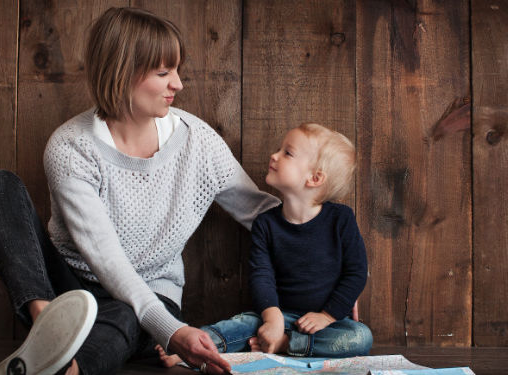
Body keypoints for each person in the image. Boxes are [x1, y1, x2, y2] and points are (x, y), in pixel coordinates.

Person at [0, 7, 279, 375]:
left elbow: (261, 213)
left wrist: (336, 267)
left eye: (177, 71)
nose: (178, 84)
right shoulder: (71, 147)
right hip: (69, 289)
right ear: (121, 72)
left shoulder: (198, 142)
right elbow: (106, 259)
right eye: (164, 73)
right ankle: (47, 327)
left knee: (131, 313)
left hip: (151, 295)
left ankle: (63, 367)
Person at [157, 123, 372, 366]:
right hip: (278, 314)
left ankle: (286, 345)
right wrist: (272, 319)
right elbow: (261, 276)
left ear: (315, 178)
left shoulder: (341, 219)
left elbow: (355, 272)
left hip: (325, 324)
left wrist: (327, 315)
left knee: (360, 338)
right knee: (240, 325)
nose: (274, 155)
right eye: (279, 149)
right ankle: (189, 349)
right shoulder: (266, 224)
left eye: (287, 153)